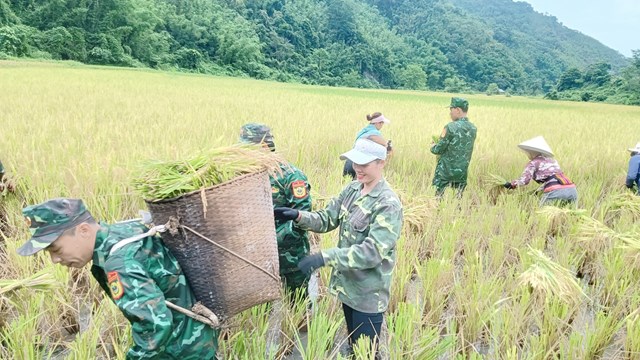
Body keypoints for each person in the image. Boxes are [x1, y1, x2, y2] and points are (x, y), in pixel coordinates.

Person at [17, 198, 218, 359]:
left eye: (56, 249)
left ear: (83, 230)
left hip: (181, 351)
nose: (54, 259)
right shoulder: (123, 231)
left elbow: (155, 327)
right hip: (195, 338)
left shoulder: (118, 263)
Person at [274, 138, 403, 357]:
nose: (358, 169)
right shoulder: (353, 189)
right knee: (354, 346)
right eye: (355, 163)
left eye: (364, 164)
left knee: (367, 353)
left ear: (381, 162)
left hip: (368, 294)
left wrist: (325, 257)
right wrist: (298, 215)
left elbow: (372, 253)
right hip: (347, 288)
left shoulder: (387, 204)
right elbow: (327, 218)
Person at [239, 123, 312, 297]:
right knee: (261, 307)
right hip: (259, 257)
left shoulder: (290, 175)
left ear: (264, 147)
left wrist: (275, 238)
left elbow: (303, 216)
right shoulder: (248, 173)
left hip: (291, 257)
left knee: (298, 305)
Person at [503, 136, 578, 206]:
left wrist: (511, 184)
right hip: (572, 189)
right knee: (571, 215)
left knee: (542, 215)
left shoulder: (533, 163)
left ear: (532, 152)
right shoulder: (553, 161)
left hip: (555, 191)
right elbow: (553, 178)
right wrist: (537, 191)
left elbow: (524, 181)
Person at [431, 97, 477, 197]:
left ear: (458, 110)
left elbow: (439, 149)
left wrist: (433, 146)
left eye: (451, 110)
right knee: (457, 200)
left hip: (445, 172)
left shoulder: (450, 127)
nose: (450, 113)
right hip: (462, 172)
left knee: (438, 199)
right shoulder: (473, 128)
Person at [343, 112, 393, 180]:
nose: (382, 125)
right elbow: (385, 145)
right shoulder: (374, 133)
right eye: (382, 123)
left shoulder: (364, 130)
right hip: (359, 164)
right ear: (378, 123)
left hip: (350, 160)